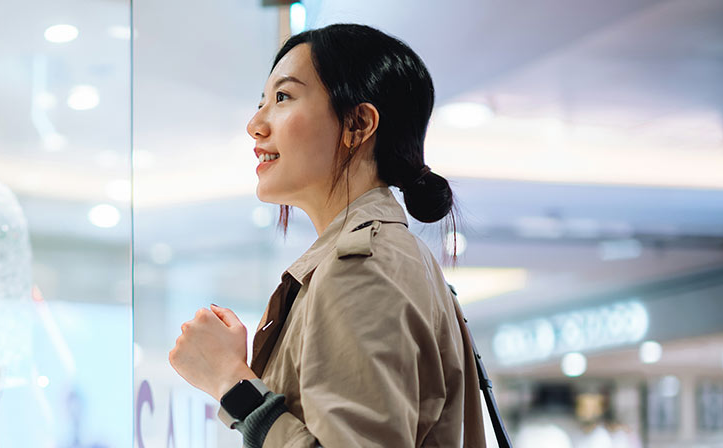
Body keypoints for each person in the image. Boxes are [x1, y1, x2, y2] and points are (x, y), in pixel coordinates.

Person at [168, 24, 485, 447]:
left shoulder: (361, 269)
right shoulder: (391, 258)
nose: (255, 124)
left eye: (282, 97)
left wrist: (230, 380)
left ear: (358, 123)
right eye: (261, 102)